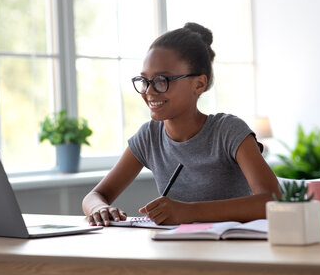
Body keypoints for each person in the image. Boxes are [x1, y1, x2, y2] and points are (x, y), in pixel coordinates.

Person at [82, 22, 280, 226]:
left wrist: (190, 211)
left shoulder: (228, 131)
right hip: (175, 251)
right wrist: (99, 208)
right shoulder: (150, 136)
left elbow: (273, 200)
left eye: (162, 80)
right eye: (145, 80)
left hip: (230, 250)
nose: (149, 91)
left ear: (199, 84)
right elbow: (95, 195)